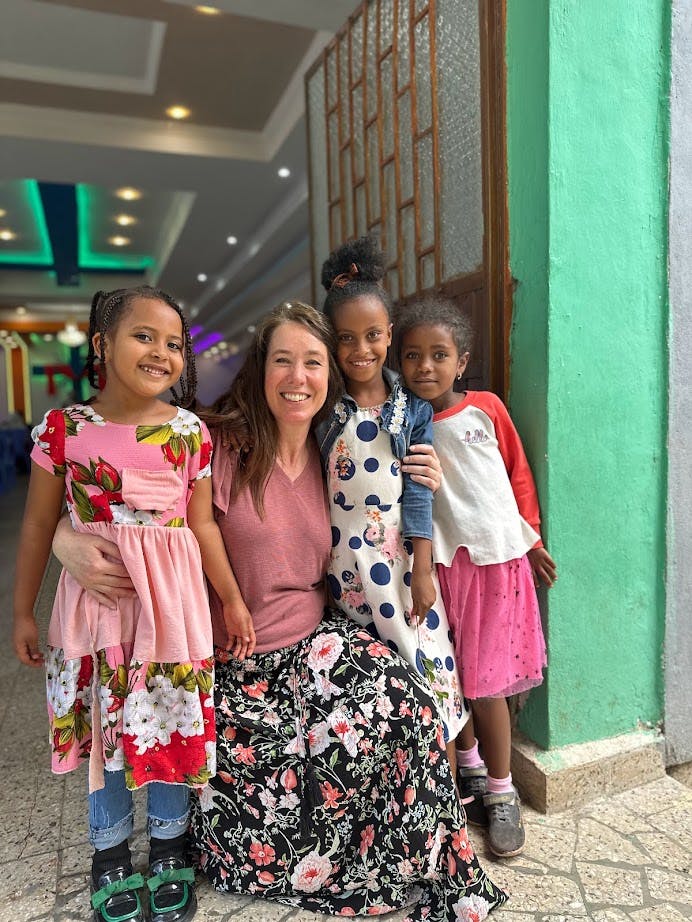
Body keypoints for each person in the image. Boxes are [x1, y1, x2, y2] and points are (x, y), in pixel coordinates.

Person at [52, 301, 508, 921]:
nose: (299, 377)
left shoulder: (335, 451)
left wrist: (425, 469)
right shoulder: (215, 443)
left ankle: (410, 861)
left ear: (331, 377)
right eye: (283, 361)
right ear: (260, 370)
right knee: (268, 822)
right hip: (231, 666)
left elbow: (415, 426)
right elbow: (124, 486)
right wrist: (62, 535)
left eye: (314, 363)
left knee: (411, 707)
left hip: (313, 641)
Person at [12, 286, 250, 922]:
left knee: (166, 720)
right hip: (93, 615)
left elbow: (201, 526)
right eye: (144, 336)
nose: (162, 353)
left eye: (174, 344)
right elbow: (38, 525)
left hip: (170, 614)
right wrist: (20, 611)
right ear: (103, 345)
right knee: (103, 728)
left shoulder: (190, 433)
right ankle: (109, 852)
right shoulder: (65, 431)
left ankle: (171, 844)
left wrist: (229, 598)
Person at [395, 295, 557, 859]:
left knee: (486, 682)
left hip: (496, 563)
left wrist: (531, 538)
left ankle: (502, 790)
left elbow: (517, 474)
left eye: (438, 355)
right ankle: (467, 766)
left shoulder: (486, 408)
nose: (425, 367)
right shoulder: (403, 421)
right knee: (453, 672)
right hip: (437, 569)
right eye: (412, 355)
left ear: (461, 361)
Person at [316, 237, 467, 762]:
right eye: (346, 338)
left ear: (389, 335)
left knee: (428, 673)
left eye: (374, 335)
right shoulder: (323, 407)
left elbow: (418, 495)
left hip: (403, 565)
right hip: (344, 569)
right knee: (379, 692)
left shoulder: (409, 406)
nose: (362, 350)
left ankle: (446, 806)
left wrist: (422, 569)